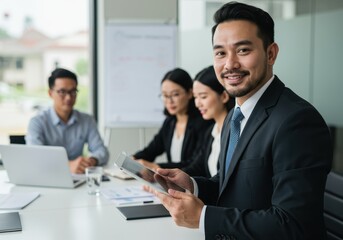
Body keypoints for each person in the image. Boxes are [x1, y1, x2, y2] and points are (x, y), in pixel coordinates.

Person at [146, 2, 333, 239]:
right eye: (220, 53)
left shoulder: (297, 121)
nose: (230, 64)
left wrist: (203, 218)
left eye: (243, 50)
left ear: (271, 53)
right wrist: (192, 185)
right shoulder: (236, 115)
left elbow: (293, 224)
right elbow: (231, 185)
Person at [26, 68, 109, 174]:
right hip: (48, 177)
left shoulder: (87, 120)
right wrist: (67, 166)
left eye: (73, 91)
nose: (69, 97)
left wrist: (91, 161)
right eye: (62, 92)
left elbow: (102, 151)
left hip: (79, 177)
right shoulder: (37, 122)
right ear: (50, 93)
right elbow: (35, 156)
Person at [133, 68, 211, 170]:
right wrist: (133, 159)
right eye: (165, 95)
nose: (169, 101)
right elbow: (151, 150)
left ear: (189, 93)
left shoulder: (203, 122)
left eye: (175, 94)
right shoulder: (170, 122)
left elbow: (194, 164)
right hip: (172, 183)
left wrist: (158, 167)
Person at [182, 66, 234, 177]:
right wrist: (166, 178)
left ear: (224, 96)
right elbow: (197, 167)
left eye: (203, 97)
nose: (197, 104)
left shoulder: (236, 132)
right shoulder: (211, 131)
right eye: (196, 97)